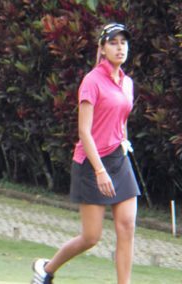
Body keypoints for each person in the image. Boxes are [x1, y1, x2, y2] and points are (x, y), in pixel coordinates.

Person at [30, 23, 141, 284]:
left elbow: (121, 117)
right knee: (92, 237)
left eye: (123, 42)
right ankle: (46, 269)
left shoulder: (128, 83)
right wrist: (100, 170)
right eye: (113, 43)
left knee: (127, 226)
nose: (119, 48)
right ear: (102, 49)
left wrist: (123, 139)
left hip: (118, 158)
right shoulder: (92, 81)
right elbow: (84, 131)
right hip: (91, 163)